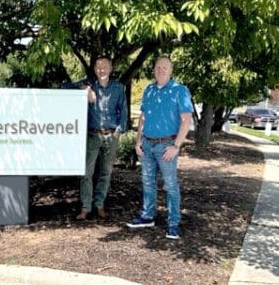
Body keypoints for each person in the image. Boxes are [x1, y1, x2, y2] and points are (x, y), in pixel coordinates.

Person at [127, 57, 193, 239]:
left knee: (170, 185)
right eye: (157, 67)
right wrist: (138, 141)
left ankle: (173, 223)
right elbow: (143, 117)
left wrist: (176, 146)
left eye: (165, 67)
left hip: (166, 146)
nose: (160, 70)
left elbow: (186, 120)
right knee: (147, 182)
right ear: (154, 70)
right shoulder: (149, 90)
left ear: (171, 70)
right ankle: (147, 216)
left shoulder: (180, 90)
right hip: (147, 145)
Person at [76, 57, 128, 220]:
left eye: (105, 66)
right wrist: (84, 88)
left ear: (111, 68)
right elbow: (66, 85)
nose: (101, 69)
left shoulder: (118, 88)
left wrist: (119, 131)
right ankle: (86, 207)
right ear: (95, 69)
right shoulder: (90, 84)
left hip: (111, 135)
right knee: (86, 172)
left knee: (106, 172)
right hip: (92, 135)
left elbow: (123, 111)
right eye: (98, 67)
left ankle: (99, 205)